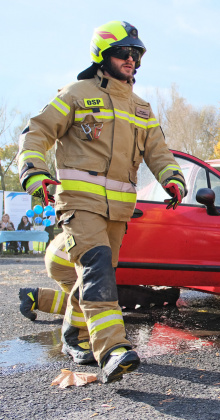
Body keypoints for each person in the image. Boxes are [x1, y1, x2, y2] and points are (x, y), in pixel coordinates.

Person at [16, 21, 186, 383]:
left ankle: (75, 336)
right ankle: (113, 350)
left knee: (93, 277)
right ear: (101, 55)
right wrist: (34, 171)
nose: (131, 59)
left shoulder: (141, 107)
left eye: (136, 53)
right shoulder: (76, 93)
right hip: (79, 203)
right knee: (97, 271)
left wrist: (172, 177)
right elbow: (37, 132)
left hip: (119, 212)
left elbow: (159, 152)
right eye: (123, 52)